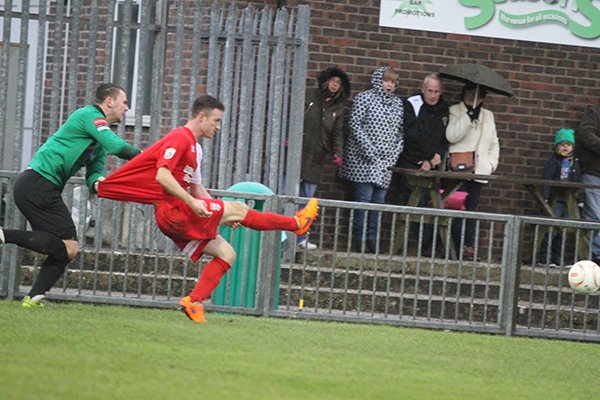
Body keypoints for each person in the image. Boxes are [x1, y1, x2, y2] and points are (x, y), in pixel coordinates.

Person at [97, 95, 318, 323]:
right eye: (216, 120)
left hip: (174, 215)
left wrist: (221, 213)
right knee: (238, 208)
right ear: (201, 116)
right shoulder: (180, 137)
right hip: (176, 211)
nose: (218, 126)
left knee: (227, 254)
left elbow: (196, 187)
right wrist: (195, 203)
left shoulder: (193, 147)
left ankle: (194, 302)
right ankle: (296, 224)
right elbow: (162, 175)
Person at [0, 83, 141, 308]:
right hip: (38, 183)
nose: (127, 108)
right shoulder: (89, 115)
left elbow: (94, 175)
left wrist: (99, 184)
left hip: (40, 186)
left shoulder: (100, 140)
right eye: (124, 102)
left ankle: (34, 297)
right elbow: (117, 146)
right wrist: (146, 158)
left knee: (65, 247)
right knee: (68, 246)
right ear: (109, 101)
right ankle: (4, 237)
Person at [338, 66, 404, 253]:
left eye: (392, 82)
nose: (389, 85)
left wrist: (393, 154)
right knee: (363, 199)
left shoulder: (397, 104)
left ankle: (372, 239)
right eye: (386, 81)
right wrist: (369, 150)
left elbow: (400, 132)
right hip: (363, 160)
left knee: (379, 201)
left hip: (385, 163)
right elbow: (354, 125)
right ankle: (360, 239)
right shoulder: (364, 98)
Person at [298, 67, 350, 250]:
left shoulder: (337, 108)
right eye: (333, 81)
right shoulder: (310, 95)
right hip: (298, 152)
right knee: (286, 195)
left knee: (306, 201)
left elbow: (337, 133)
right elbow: (295, 116)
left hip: (317, 157)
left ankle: (300, 237)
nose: (335, 85)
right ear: (326, 81)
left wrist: (338, 153)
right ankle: (280, 235)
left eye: (339, 83)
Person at [445, 83, 500, 261]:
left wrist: (491, 164)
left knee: (472, 210)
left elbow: (494, 143)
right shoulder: (455, 111)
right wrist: (469, 117)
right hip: (458, 168)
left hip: (479, 170)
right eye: (468, 94)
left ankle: (468, 248)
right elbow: (452, 136)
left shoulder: (488, 115)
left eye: (476, 95)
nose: (472, 98)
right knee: (455, 208)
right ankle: (452, 247)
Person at [396, 72, 449, 201]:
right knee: (408, 201)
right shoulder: (412, 104)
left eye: (436, 91)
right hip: (410, 161)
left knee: (426, 202)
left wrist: (436, 156)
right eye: (430, 91)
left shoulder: (444, 109)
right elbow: (411, 135)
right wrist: (430, 156)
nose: (433, 95)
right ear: (423, 90)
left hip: (432, 165)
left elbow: (445, 136)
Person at [538, 128, 581, 267]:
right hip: (555, 199)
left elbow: (579, 181)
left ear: (572, 147)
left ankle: (558, 259)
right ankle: (545, 258)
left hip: (569, 200)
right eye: (562, 144)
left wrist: (580, 200)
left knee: (564, 230)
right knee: (551, 229)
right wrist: (544, 196)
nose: (565, 147)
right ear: (556, 146)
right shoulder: (554, 161)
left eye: (568, 144)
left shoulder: (575, 162)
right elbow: (546, 178)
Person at [575, 104, 600, 265]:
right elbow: (585, 134)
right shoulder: (595, 112)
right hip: (594, 173)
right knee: (595, 217)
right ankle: (594, 257)